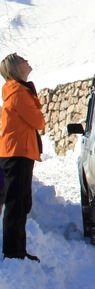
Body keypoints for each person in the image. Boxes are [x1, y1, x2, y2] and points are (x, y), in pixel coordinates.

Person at [0, 53, 45, 262]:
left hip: (18, 151)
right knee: (16, 203)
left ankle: (17, 250)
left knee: (20, 203)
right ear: (15, 69)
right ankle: (13, 252)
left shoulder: (17, 91)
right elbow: (38, 121)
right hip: (17, 152)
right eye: (21, 60)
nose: (27, 60)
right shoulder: (19, 92)